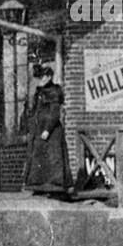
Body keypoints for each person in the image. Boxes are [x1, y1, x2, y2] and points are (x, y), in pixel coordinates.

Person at [23, 63, 70, 197]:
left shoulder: (54, 91)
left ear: (49, 77)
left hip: (52, 132)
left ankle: (55, 187)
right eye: (40, 77)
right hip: (38, 130)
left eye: (43, 77)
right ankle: (39, 186)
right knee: (38, 158)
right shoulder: (40, 91)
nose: (41, 80)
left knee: (53, 159)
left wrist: (47, 130)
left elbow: (55, 113)